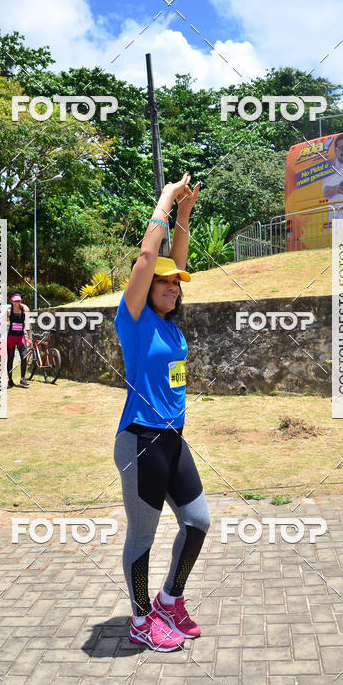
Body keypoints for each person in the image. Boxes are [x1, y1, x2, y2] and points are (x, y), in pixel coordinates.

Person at [113, 173, 211, 652]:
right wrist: (166, 199)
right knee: (143, 536)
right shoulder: (133, 319)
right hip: (140, 440)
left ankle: (169, 600)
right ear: (146, 286)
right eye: (165, 282)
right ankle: (140, 620)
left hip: (173, 439)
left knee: (198, 522)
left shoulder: (170, 324)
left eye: (177, 283)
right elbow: (149, 258)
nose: (173, 286)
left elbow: (173, 261)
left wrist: (185, 213)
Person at [6, 294, 31, 388]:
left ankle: (23, 379)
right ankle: (10, 380)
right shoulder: (9, 311)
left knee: (24, 357)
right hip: (11, 337)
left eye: (19, 301)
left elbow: (27, 324)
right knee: (10, 358)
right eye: (15, 301)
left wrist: (29, 338)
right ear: (12, 301)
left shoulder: (25, 309)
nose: (17, 302)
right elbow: (2, 322)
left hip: (21, 337)